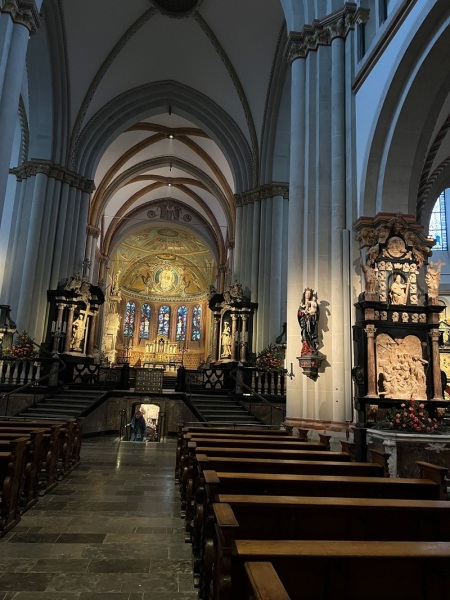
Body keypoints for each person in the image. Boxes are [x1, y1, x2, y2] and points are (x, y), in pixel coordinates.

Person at [297, 288, 319, 355]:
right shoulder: (302, 304)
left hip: (310, 322)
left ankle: (311, 349)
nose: (308, 295)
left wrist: (312, 314)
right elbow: (299, 313)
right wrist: (301, 313)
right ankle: (305, 350)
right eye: (306, 293)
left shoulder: (313, 303)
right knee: (304, 335)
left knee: (310, 335)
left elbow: (316, 313)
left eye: (309, 293)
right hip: (304, 323)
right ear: (304, 294)